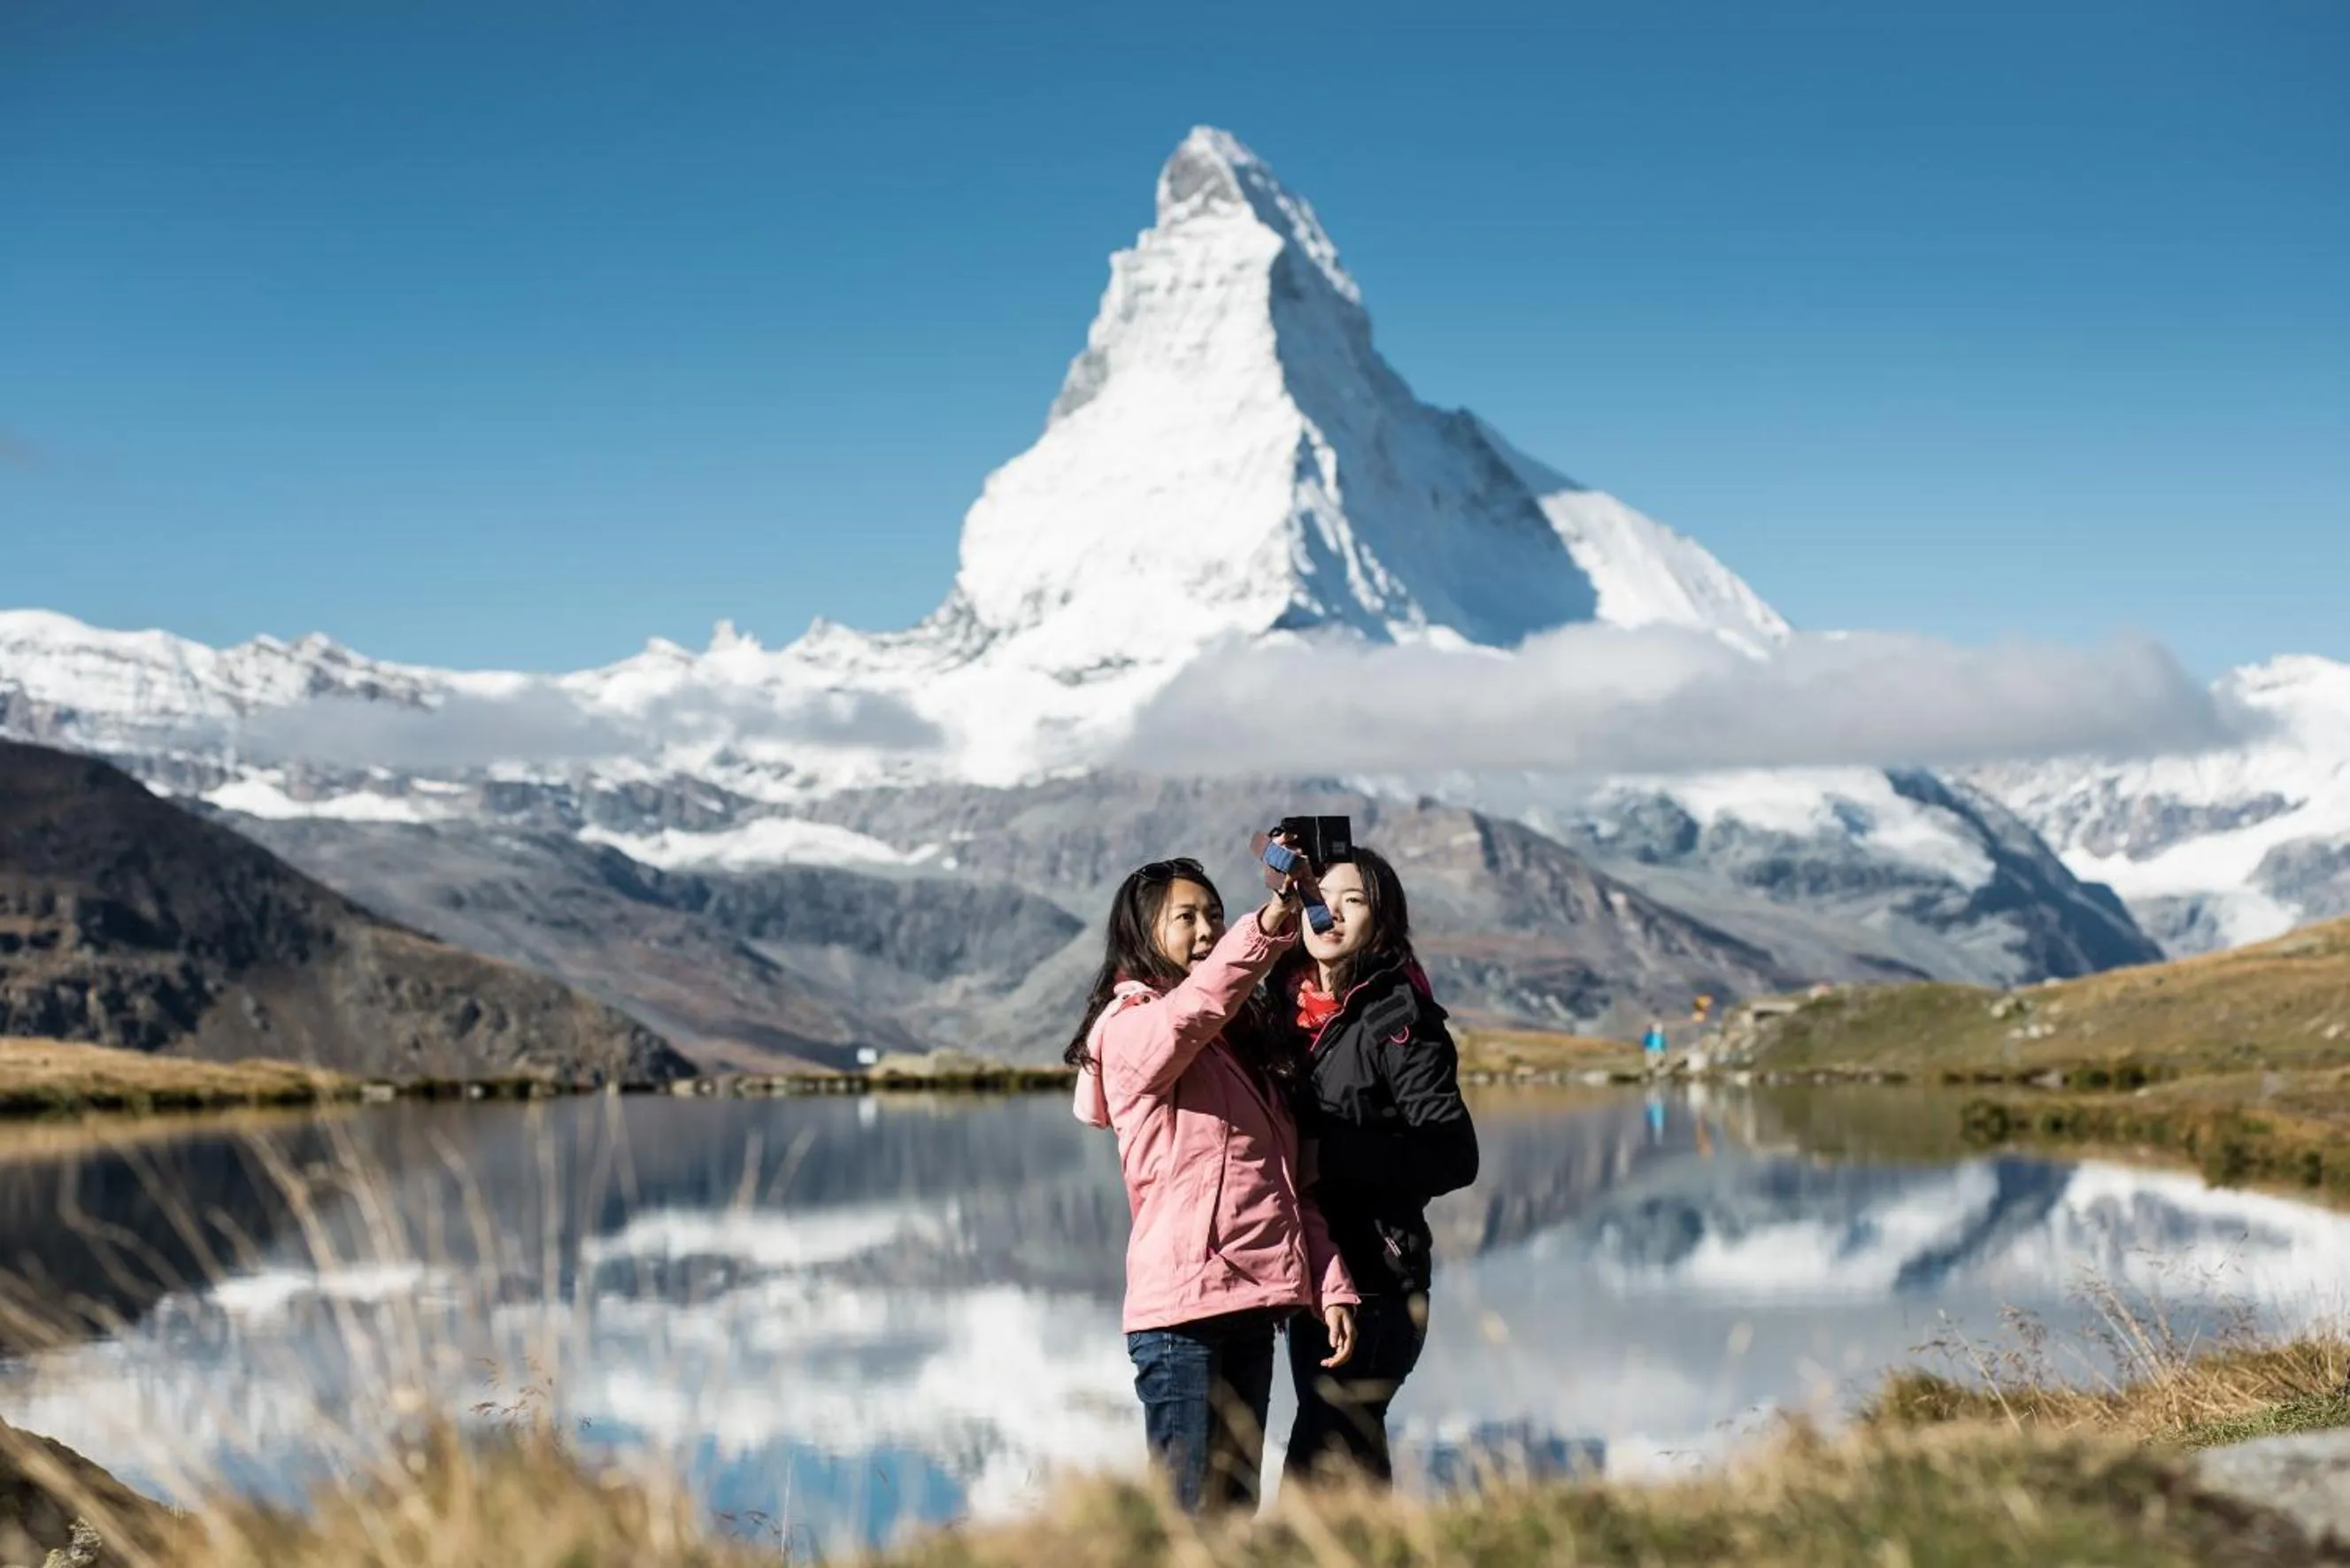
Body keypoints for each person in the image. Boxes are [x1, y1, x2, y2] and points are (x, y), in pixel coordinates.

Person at [1067, 854, 1360, 1515]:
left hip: (1251, 1309)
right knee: (1187, 1520)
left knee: (1231, 1519)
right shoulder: (1133, 1030)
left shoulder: (1243, 1049)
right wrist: (1270, 922)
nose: (1206, 930)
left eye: (1216, 916)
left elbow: (1285, 1186)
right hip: (1181, 1320)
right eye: (1187, 918)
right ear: (1144, 933)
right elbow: (1192, 1010)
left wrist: (1330, 1281)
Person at [1273, 845, 1478, 1487]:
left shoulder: (1396, 1016)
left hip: (1378, 1280)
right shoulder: (1288, 1013)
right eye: (1318, 896)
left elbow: (1452, 1154)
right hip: (1313, 1279)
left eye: (1351, 901)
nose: (1328, 912)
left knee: (1326, 1453)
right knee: (1348, 1457)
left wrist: (1325, 1156)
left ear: (1381, 923)